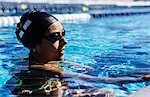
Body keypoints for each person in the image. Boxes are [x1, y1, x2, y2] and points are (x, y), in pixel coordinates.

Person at [6, 10, 150, 96]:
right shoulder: (40, 67)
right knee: (106, 93)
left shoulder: (44, 61)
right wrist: (139, 79)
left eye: (63, 34)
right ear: (36, 45)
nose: (65, 41)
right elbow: (99, 80)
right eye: (55, 37)